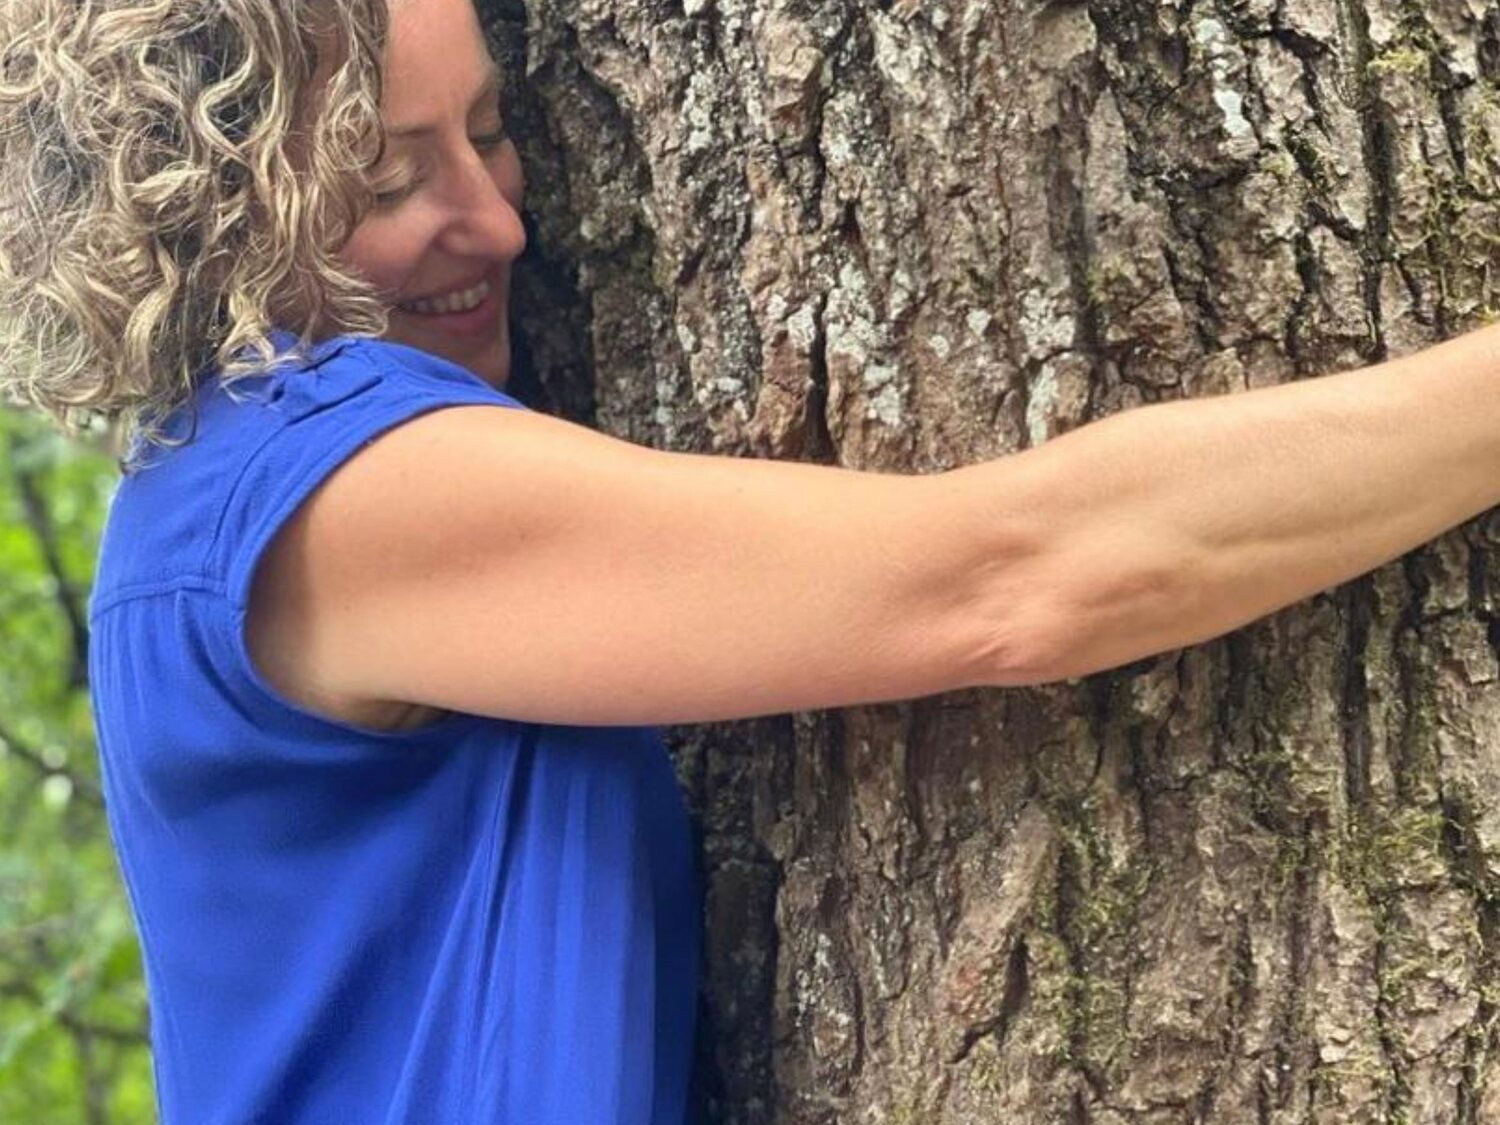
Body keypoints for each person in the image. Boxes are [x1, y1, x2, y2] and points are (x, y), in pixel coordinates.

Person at [3, 0, 1499, 1122]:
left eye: (494, 127)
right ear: (207, 216)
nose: (500, 220)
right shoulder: (316, 482)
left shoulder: (192, 506)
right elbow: (1021, 577)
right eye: (391, 181)